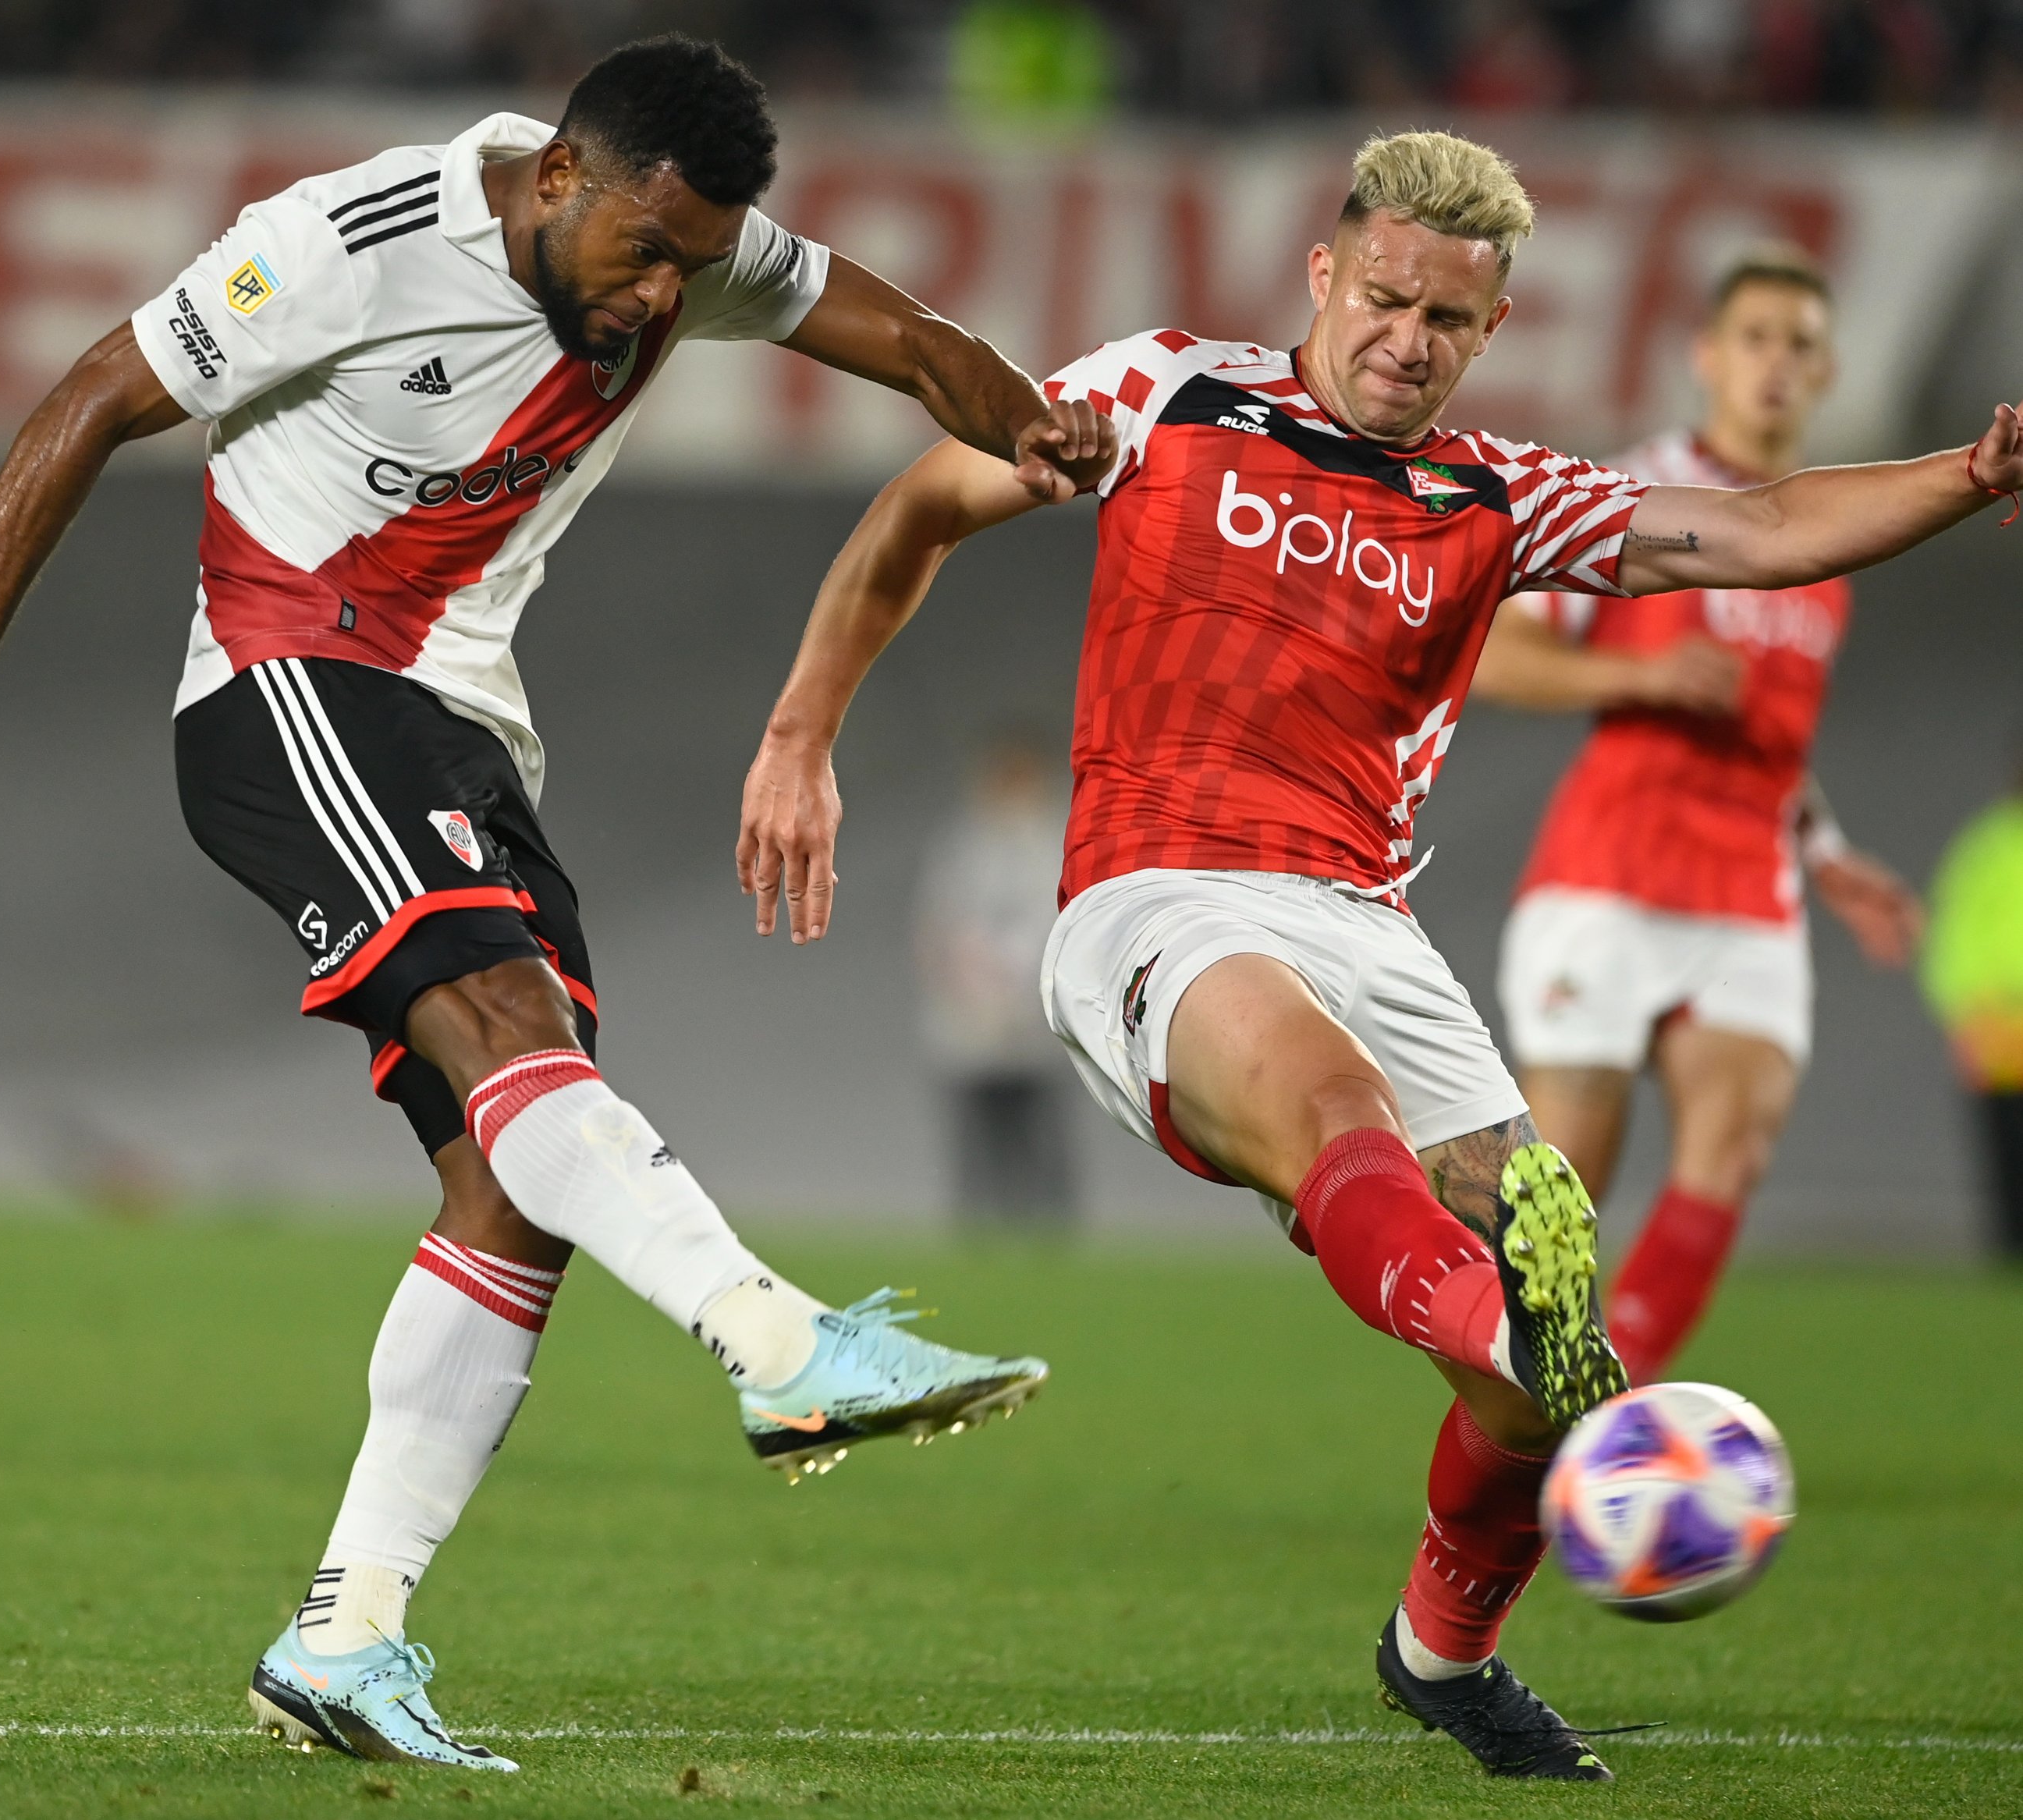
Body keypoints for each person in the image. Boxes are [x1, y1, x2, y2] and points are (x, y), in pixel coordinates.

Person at [0, 37, 1095, 1771]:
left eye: (694, 264)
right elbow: (92, 397)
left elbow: (897, 336)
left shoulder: (685, 246)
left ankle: (348, 1632)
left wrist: (1018, 408)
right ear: (561, 177)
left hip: (457, 724)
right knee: (518, 1040)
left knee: (512, 1179)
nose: (665, 294)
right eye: (643, 254)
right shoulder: (351, 240)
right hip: (289, 683)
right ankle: (776, 1335)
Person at [736, 129, 2023, 1781]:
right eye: (1387, 297)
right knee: (1381, 1162)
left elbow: (1758, 527)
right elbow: (924, 500)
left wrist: (1972, 477)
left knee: (1541, 1347)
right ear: (1323, 274)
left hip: (1369, 923)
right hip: (1157, 893)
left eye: (1448, 321)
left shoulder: (1497, 494)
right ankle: (1490, 1316)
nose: (1406, 339)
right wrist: (800, 729)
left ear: (1491, 332)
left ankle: (1442, 1648)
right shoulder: (1163, 395)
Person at [1471, 247, 1925, 1384]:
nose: (1777, 363)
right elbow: (1492, 654)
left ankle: (1612, 1412)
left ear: (1825, 374)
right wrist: (1638, 676)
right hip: (1608, 875)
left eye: (1801, 344)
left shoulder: (1822, 552)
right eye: (1757, 337)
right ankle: (1517, 1402)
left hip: (1747, 890)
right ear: (1708, 358)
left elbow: (1773, 741)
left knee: (1735, 1148)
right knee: (1563, 1187)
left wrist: (1827, 850)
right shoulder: (1645, 499)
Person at [917, 733, 1077, 1225]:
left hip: (1038, 1023)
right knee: (979, 1135)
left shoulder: (1060, 848)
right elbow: (936, 931)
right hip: (974, 1023)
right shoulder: (962, 849)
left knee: (1040, 1131)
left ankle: (1048, 1228)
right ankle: (981, 1226)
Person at [1921, 752, 2023, 1260]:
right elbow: (1953, 932)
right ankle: (2010, 1246)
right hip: (2000, 1017)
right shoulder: (1987, 846)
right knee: (2007, 1133)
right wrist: (1964, 1012)